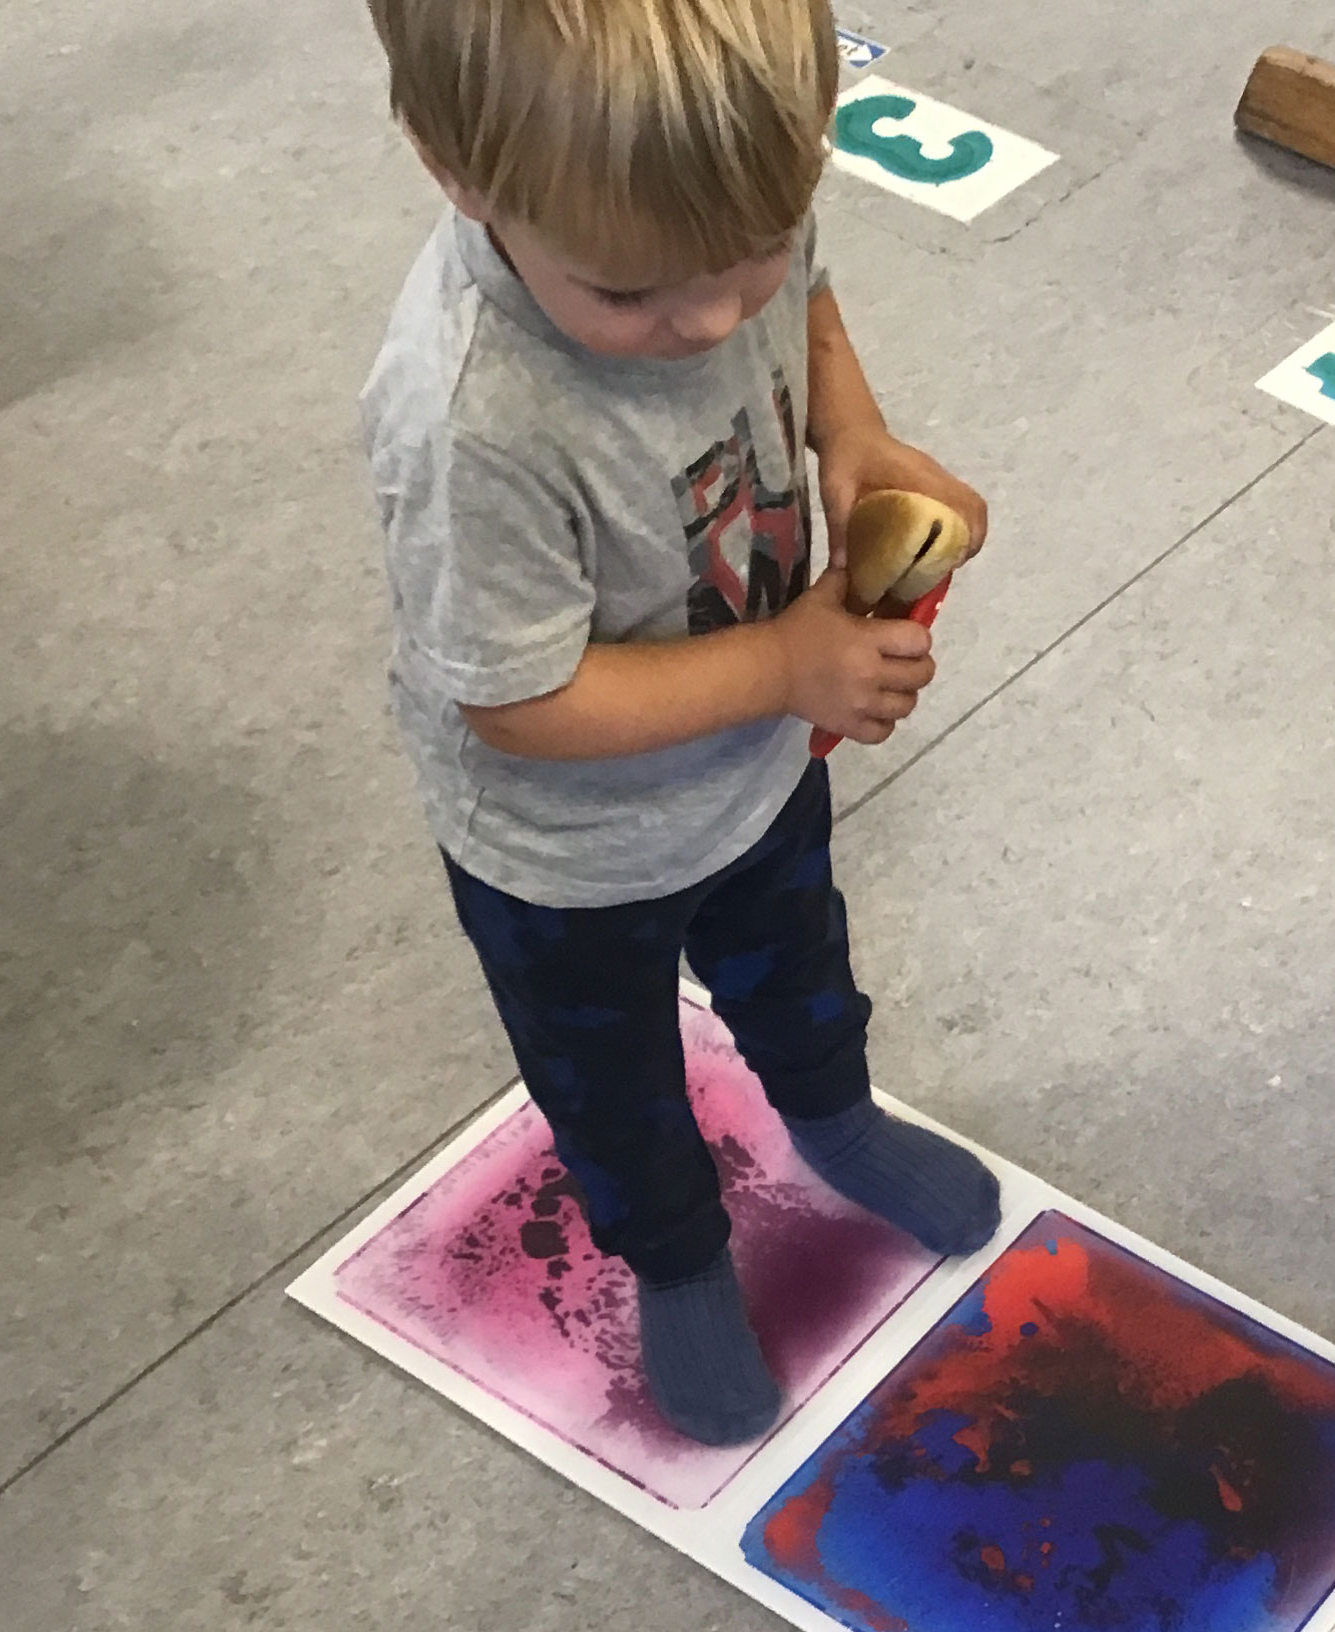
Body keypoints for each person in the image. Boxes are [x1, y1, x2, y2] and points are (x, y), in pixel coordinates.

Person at [358, 0, 999, 1445]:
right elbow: (518, 702)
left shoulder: (718, 207)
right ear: (457, 172)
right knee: (617, 1092)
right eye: (630, 294)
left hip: (754, 771)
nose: (708, 320)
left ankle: (835, 1119)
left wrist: (854, 434)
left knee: (803, 974)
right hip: (566, 861)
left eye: (748, 254)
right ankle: (679, 1260)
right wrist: (785, 667)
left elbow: (805, 301)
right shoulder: (472, 418)